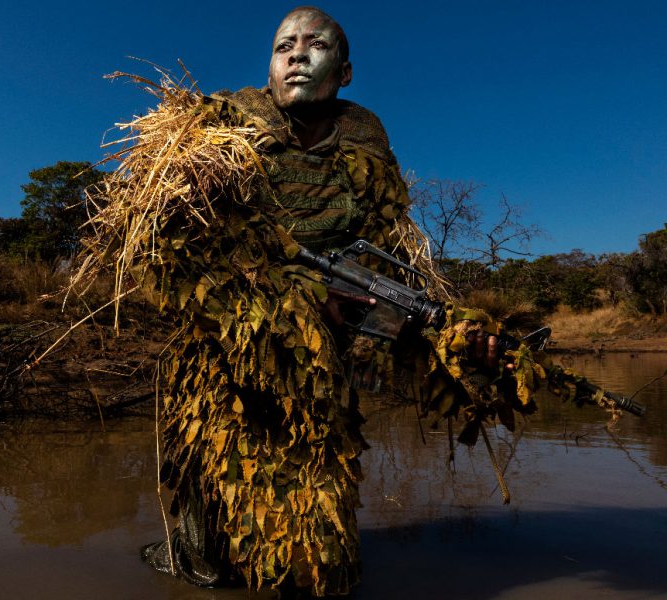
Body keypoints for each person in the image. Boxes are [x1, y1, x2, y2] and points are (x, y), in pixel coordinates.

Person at [135, 6, 529, 597]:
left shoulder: (366, 148)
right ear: (269, 67)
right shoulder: (218, 134)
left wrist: (451, 340)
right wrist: (287, 298)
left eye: (316, 44)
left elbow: (389, 269)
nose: (297, 54)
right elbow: (169, 253)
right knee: (212, 552)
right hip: (228, 360)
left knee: (325, 566)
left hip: (324, 371)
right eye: (283, 46)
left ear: (344, 71)